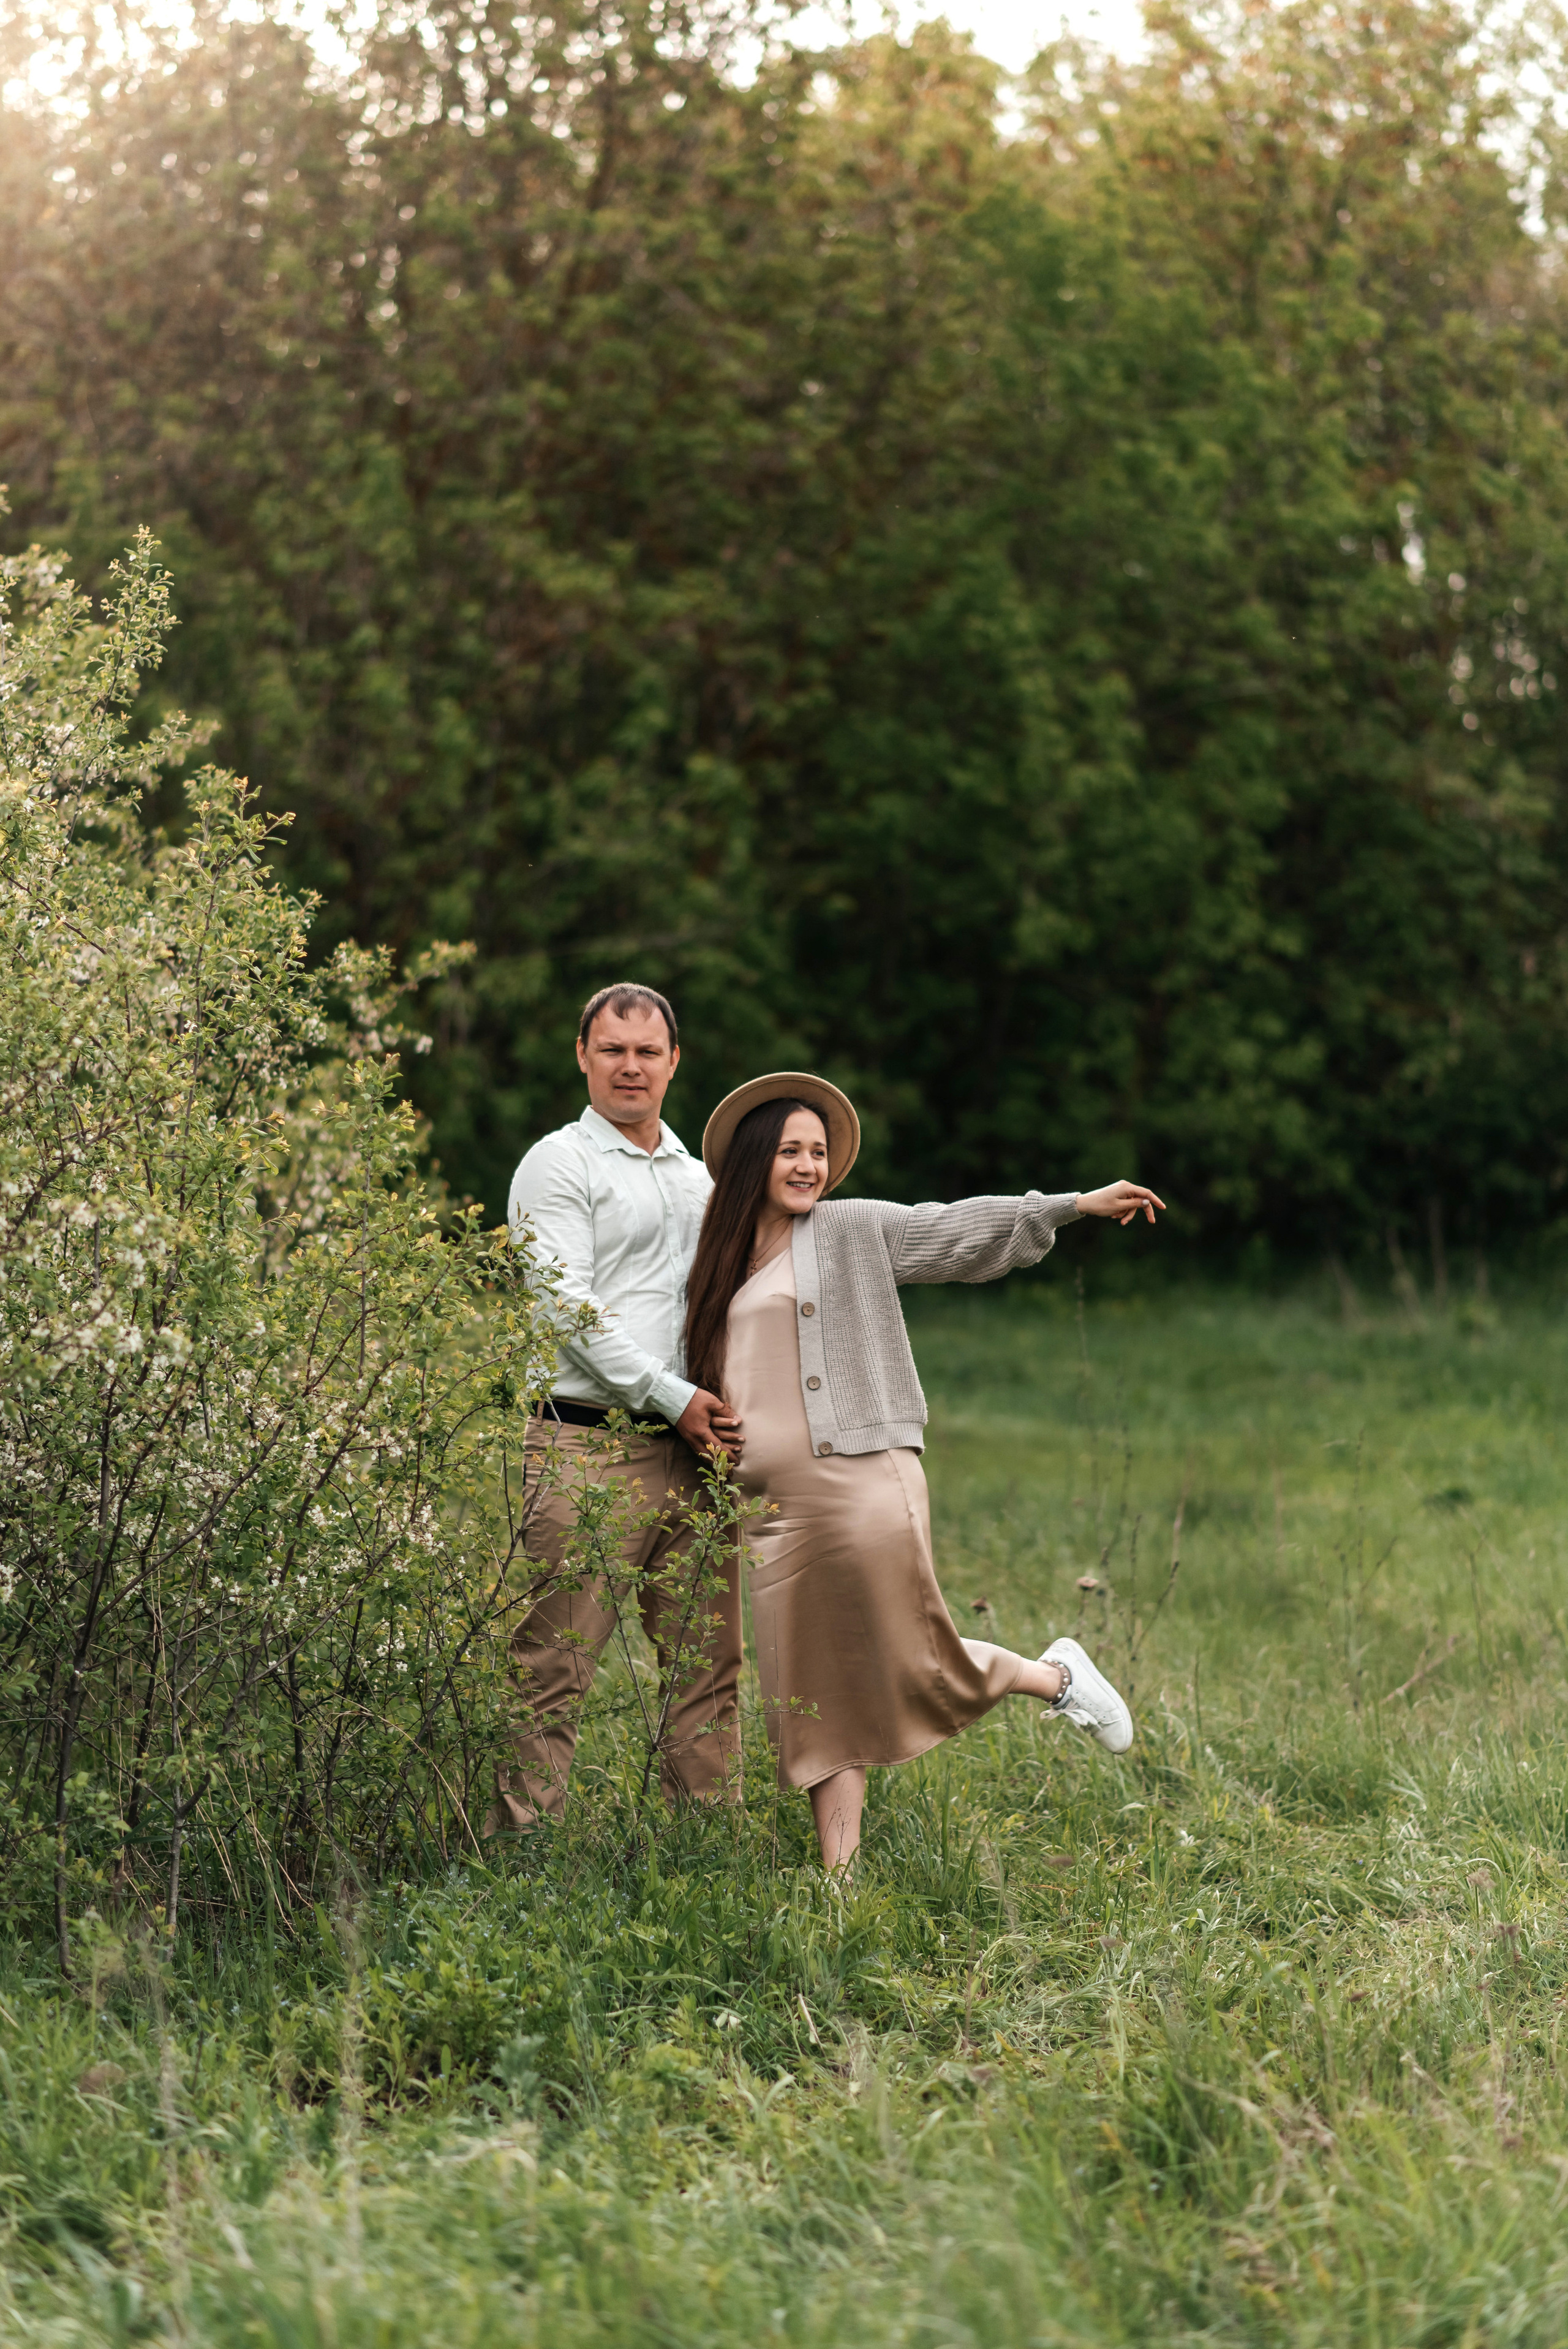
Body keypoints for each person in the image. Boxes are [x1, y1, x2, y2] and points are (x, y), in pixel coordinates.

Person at [682, 1072, 1164, 1869]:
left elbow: (950, 1231)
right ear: (751, 1161)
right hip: (770, 1506)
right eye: (790, 1151)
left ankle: (1052, 1676)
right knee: (809, 1684)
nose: (808, 1165)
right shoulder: (716, 1254)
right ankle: (840, 1874)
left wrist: (1067, 1205)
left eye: (818, 1151)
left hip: (865, 1478)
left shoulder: (849, 1227)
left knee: (906, 1653)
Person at [492, 983, 745, 1831]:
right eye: (612, 1049)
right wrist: (676, 1397)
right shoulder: (558, 1163)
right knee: (554, 1666)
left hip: (695, 1450)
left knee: (707, 1665)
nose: (629, 1066)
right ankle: (515, 1859)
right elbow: (566, 1305)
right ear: (583, 1055)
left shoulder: (701, 1178)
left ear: (675, 1061)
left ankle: (703, 1847)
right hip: (587, 1447)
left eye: (646, 1051)